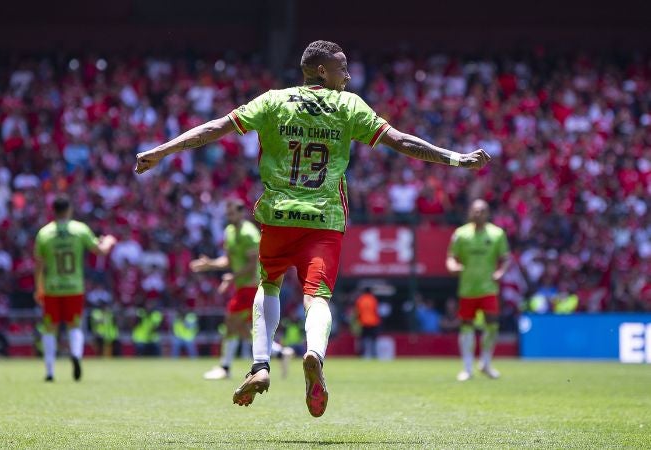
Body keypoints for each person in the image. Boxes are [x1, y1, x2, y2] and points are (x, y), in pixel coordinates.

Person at [135, 40, 490, 417]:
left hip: (278, 215)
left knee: (268, 283)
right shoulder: (349, 105)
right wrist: (456, 158)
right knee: (316, 297)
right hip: (325, 219)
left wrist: (162, 150)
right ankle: (314, 354)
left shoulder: (273, 100)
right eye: (342, 68)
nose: (349, 75)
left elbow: (217, 127)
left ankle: (260, 366)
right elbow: (400, 141)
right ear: (322, 70)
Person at [34, 195, 117, 381]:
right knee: (74, 325)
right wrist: (109, 240)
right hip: (74, 286)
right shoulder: (80, 230)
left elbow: (39, 265)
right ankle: (76, 355)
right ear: (69, 209)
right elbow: (100, 250)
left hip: (52, 287)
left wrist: (38, 287)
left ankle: (49, 371)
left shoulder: (44, 234)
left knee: (50, 328)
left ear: (53, 211)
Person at [189, 199, 260, 379]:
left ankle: (225, 368)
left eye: (232, 214)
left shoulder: (249, 234)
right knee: (240, 328)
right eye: (227, 214)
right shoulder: (229, 231)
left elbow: (253, 265)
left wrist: (231, 278)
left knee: (230, 323)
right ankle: (279, 353)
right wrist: (210, 264)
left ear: (241, 213)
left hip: (251, 285)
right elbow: (228, 261)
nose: (230, 217)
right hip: (241, 285)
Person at [446, 199, 510, 381]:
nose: (478, 214)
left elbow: (505, 258)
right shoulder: (461, 234)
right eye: (475, 211)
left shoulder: (497, 234)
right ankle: (467, 368)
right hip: (467, 288)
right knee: (466, 327)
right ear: (469, 213)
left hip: (488, 287)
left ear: (487, 213)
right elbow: (451, 256)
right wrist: (452, 266)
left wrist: (500, 272)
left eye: (481, 211)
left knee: (492, 325)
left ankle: (486, 363)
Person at [355, 287, 381, 358]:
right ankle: (374, 355)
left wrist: (358, 321)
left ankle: (364, 355)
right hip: (373, 322)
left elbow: (358, 312)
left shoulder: (360, 300)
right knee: (373, 340)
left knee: (364, 339)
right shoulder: (373, 299)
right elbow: (376, 311)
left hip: (364, 322)